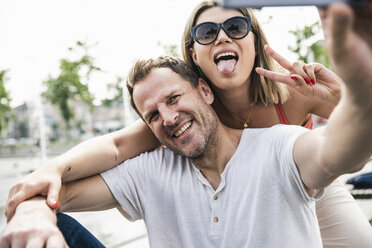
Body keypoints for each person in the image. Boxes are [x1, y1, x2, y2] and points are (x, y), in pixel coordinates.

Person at [4, 0, 372, 246]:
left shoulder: (294, 98)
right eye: (207, 33)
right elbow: (116, 146)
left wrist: (351, 98)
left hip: (299, 184)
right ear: (196, 60)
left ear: (254, 41)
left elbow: (339, 151)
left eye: (235, 26)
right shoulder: (181, 116)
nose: (223, 36)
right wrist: (46, 180)